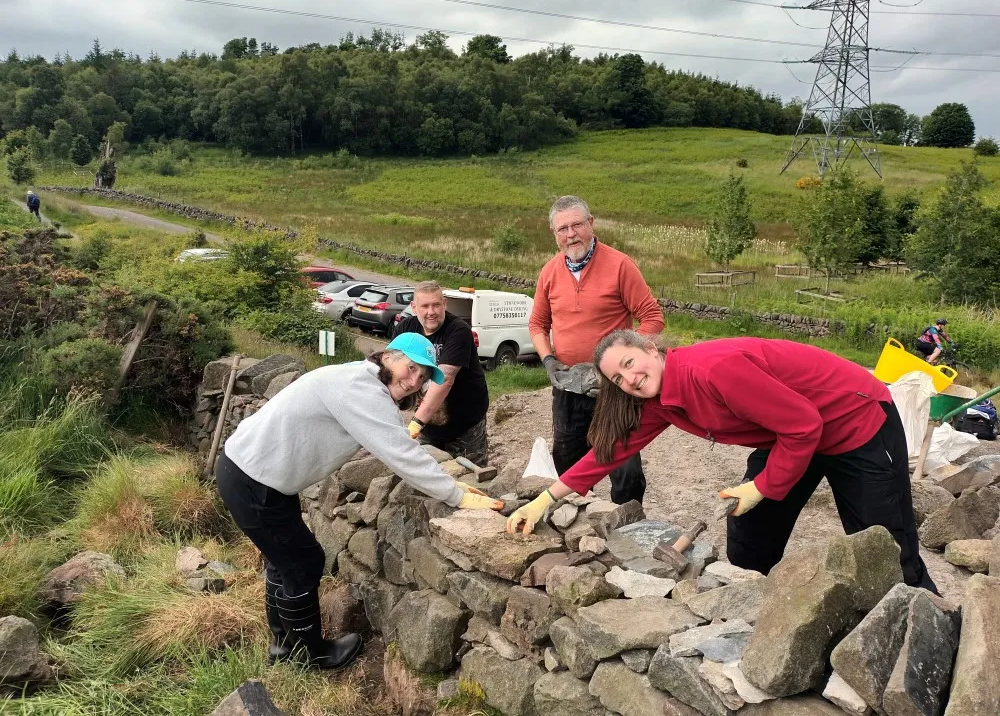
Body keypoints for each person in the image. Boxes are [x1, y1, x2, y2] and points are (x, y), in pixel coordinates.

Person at [506, 330, 937, 593]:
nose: (630, 379)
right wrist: (546, 499)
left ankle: (925, 624)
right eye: (618, 378)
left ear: (651, 349)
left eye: (630, 364)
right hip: (790, 429)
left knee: (883, 542)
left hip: (854, 421)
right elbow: (610, 454)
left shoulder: (713, 370)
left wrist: (762, 487)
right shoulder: (659, 400)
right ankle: (748, 605)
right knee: (750, 527)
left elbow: (805, 424)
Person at [216, 333, 503, 670]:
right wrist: (456, 494)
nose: (414, 381)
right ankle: (312, 655)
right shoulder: (358, 388)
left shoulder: (357, 379)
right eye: (411, 368)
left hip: (255, 475)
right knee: (304, 563)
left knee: (285, 561)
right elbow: (400, 453)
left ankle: (283, 647)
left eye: (423, 377)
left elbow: (391, 440)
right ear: (388, 356)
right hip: (254, 481)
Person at [530, 196, 663, 505]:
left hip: (614, 388)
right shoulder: (549, 272)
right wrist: (549, 360)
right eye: (562, 228)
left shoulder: (620, 265)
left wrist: (623, 362)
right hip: (568, 387)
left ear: (591, 224)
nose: (571, 234)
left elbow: (653, 318)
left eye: (577, 224)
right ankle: (575, 528)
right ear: (554, 232)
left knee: (625, 469)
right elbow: (537, 323)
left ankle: (625, 527)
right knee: (566, 464)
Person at [392, 281, 490, 466]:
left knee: (470, 474)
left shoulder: (458, 330)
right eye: (425, 306)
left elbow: (444, 379)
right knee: (427, 474)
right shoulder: (405, 330)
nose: (431, 312)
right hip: (428, 423)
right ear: (414, 307)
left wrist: (415, 424)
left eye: (436, 305)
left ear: (444, 304)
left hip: (465, 422)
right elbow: (392, 371)